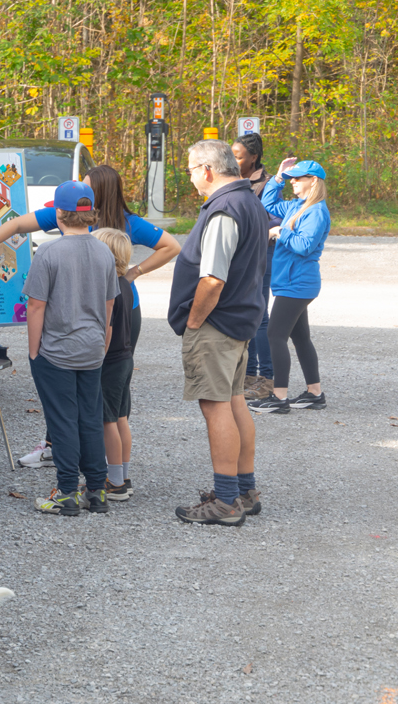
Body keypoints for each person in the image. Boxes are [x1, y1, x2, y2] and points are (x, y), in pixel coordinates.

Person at [0, 165, 179, 470]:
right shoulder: (69, 214)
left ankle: (108, 464)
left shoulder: (129, 223)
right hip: (86, 313)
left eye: (87, 186)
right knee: (66, 382)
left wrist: (133, 273)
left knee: (108, 391)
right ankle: (60, 449)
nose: (81, 190)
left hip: (116, 314)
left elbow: (171, 246)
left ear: (100, 194)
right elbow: (16, 225)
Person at [168, 140, 268, 526]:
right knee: (234, 401)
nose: (190, 176)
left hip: (217, 324)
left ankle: (226, 501)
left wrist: (194, 321)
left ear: (207, 170)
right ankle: (244, 491)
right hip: (239, 321)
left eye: (191, 169)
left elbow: (212, 278)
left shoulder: (225, 208)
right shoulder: (249, 202)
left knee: (216, 406)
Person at [24, 182, 117, 516]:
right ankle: (96, 490)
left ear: (58, 214)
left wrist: (34, 352)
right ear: (89, 213)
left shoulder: (49, 253)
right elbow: (109, 306)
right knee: (90, 418)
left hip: (57, 350)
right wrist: (102, 344)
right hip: (92, 348)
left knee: (62, 420)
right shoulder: (104, 251)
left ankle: (65, 491)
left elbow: (36, 306)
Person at [249, 158, 330, 414]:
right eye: (291, 177)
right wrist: (278, 179)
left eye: (298, 177)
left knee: (275, 335)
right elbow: (268, 204)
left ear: (313, 180)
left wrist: (279, 232)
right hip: (291, 282)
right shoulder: (298, 206)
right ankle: (315, 393)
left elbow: (304, 246)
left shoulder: (315, 211)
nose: (293, 181)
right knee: (301, 337)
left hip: (298, 283)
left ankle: (279, 398)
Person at [232, 133, 278, 399]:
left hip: (261, 255)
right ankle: (248, 376)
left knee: (260, 317)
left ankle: (268, 379)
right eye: (232, 155)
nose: (233, 160)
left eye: (238, 156)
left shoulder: (268, 184)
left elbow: (273, 220)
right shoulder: (230, 180)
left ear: (254, 157)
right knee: (245, 315)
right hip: (238, 257)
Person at [92, 227, 134, 500]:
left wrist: (96, 359)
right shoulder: (126, 285)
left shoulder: (108, 288)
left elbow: (105, 328)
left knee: (107, 421)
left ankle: (114, 482)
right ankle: (123, 474)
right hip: (125, 358)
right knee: (120, 419)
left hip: (109, 361)